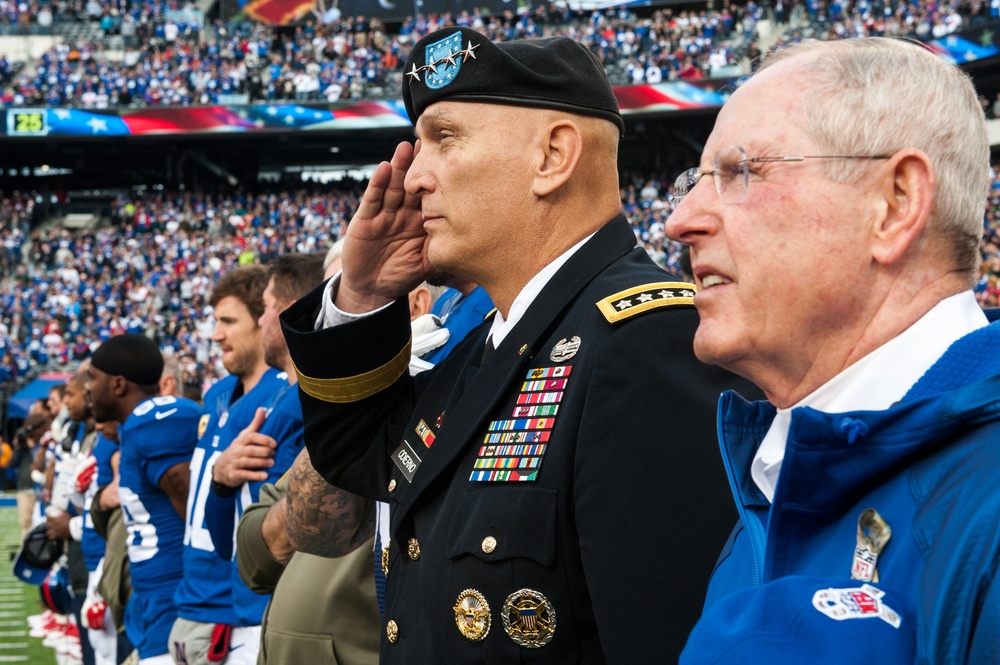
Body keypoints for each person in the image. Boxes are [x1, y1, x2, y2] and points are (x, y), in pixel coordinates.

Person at [280, 27, 753, 663]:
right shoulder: (498, 338)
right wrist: (362, 295)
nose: (413, 177)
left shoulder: (647, 342)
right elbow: (366, 456)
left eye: (443, 139)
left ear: (552, 157)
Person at [664, 38, 999, 662]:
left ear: (894, 205)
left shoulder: (985, 506)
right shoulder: (768, 483)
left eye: (742, 171)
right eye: (694, 180)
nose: (679, 220)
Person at [171, 265, 287, 665]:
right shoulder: (218, 393)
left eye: (228, 321)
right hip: (193, 598)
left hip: (233, 612)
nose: (216, 334)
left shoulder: (281, 397)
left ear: (264, 320)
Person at [86, 334, 202, 665]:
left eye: (93, 378)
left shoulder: (156, 422)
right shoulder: (133, 427)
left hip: (174, 605)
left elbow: (198, 520)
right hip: (151, 603)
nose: (87, 388)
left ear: (118, 385)